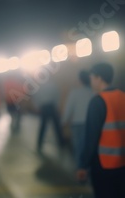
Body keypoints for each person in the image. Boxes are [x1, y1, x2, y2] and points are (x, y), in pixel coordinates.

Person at [76, 62, 125, 197]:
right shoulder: (123, 97)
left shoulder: (97, 101)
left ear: (99, 78)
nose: (91, 81)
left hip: (104, 164)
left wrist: (82, 164)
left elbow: (90, 138)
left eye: (92, 77)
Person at [61, 70, 94, 166]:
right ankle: (87, 167)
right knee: (87, 145)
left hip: (76, 124)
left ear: (79, 80)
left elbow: (69, 108)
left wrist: (64, 121)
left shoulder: (74, 92)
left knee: (78, 146)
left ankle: (80, 168)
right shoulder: (92, 92)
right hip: (89, 123)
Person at [32, 77, 65, 153]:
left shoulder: (39, 86)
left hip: (44, 107)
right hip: (51, 106)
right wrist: (56, 105)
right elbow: (57, 95)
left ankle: (39, 142)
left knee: (43, 125)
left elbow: (36, 97)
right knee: (56, 125)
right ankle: (61, 142)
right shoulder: (52, 85)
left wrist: (37, 106)